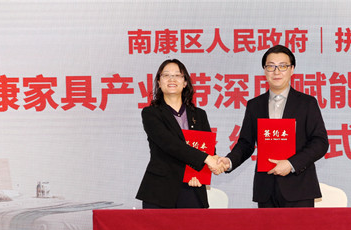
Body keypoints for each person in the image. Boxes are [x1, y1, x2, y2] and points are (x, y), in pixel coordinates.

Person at [220, 45, 328, 207]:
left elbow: (320, 142)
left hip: (299, 189)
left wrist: (291, 164)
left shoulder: (307, 103)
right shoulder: (254, 105)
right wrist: (229, 161)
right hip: (266, 189)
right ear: (264, 70)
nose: (276, 72)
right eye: (271, 66)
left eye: (283, 66)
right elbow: (246, 143)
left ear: (292, 69)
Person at [136, 59, 224, 208]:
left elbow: (208, 148)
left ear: (185, 83)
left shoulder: (199, 114)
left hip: (192, 188)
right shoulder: (151, 113)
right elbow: (169, 144)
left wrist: (199, 174)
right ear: (159, 82)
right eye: (166, 75)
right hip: (160, 191)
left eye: (177, 75)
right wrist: (206, 159)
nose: (172, 79)